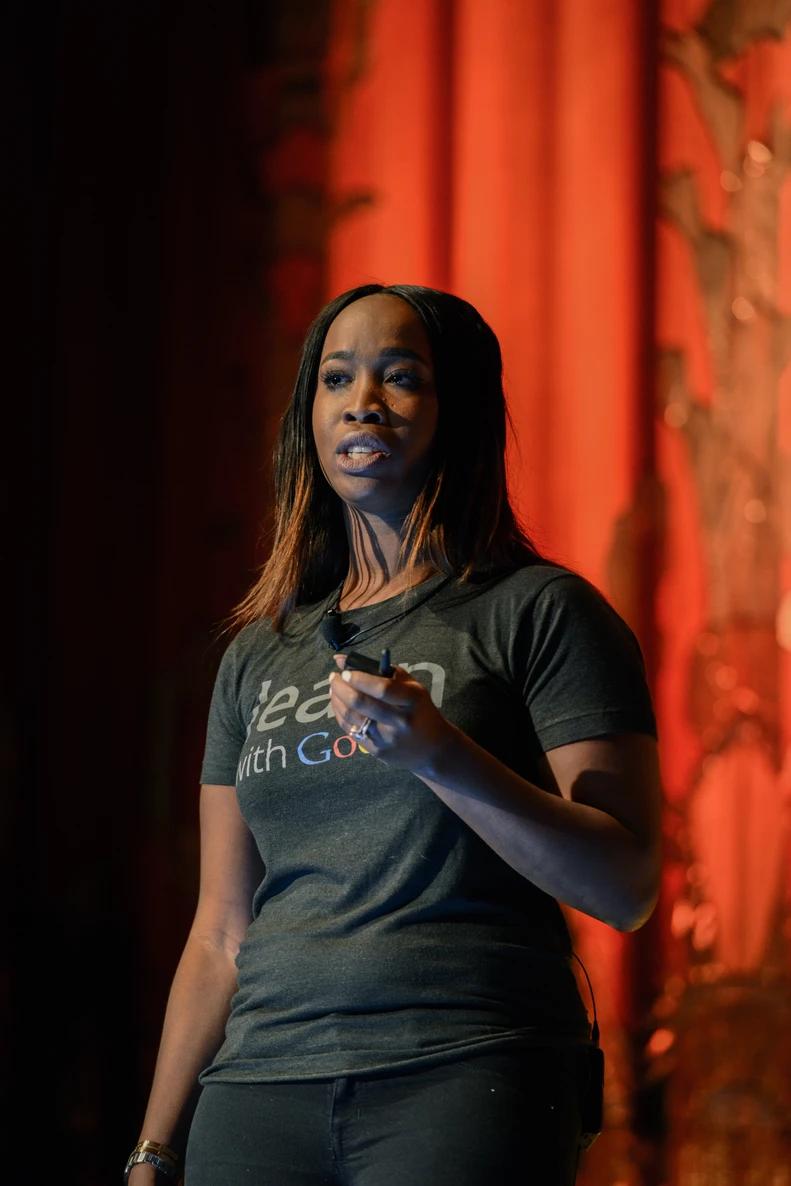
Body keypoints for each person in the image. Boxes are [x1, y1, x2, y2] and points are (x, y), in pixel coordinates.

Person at [125, 284, 661, 1186]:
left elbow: (623, 884)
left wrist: (441, 756)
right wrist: (154, 1147)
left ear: (458, 411)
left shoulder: (541, 613)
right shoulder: (259, 653)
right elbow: (220, 931)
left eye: (400, 377)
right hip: (259, 1087)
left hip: (464, 1069)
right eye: (337, 378)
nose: (362, 402)